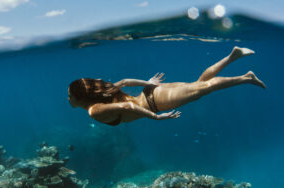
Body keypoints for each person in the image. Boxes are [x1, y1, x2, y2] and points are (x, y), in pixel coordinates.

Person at [68, 47, 265, 126]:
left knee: (204, 88)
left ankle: (246, 77)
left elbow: (126, 107)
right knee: (199, 85)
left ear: (80, 96)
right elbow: (126, 82)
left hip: (155, 103)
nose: (68, 98)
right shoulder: (102, 96)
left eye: (70, 95)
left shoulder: (94, 110)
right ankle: (234, 56)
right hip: (152, 93)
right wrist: (148, 83)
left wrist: (155, 117)